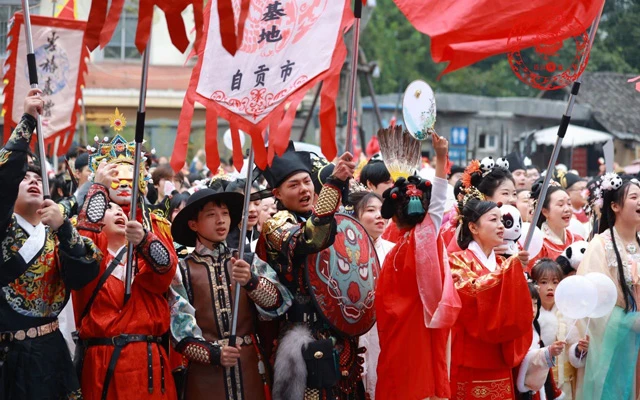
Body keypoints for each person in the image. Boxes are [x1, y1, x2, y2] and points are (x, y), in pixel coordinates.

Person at [0, 89, 101, 399]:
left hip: (51, 353)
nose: (32, 180)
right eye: (24, 177)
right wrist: (28, 118)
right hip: (8, 357)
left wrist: (64, 228)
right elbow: (6, 172)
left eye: (38, 177)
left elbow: (85, 271)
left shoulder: (58, 230)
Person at [257, 143, 365, 400]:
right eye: (293, 185)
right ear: (277, 194)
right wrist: (334, 183)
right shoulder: (277, 226)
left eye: (306, 181)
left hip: (340, 332)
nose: (304, 189)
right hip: (304, 340)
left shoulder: (333, 218)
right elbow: (313, 237)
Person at [74, 135, 179, 400]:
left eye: (130, 178)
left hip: (148, 360)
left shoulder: (154, 227)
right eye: (115, 178)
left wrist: (144, 239)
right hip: (103, 358)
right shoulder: (90, 235)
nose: (119, 212)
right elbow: (83, 244)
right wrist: (97, 187)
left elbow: (165, 269)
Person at [168, 187, 292, 400]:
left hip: (249, 368)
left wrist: (251, 282)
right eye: (211, 215)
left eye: (225, 214)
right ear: (193, 224)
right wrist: (214, 354)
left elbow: (279, 304)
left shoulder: (247, 261)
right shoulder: (183, 271)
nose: (220, 220)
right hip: (205, 375)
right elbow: (179, 331)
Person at [375, 132, 461, 399]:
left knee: (398, 380)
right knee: (423, 383)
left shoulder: (394, 249)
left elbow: (383, 299)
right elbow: (439, 199)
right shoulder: (424, 237)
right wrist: (440, 155)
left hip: (399, 330)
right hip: (421, 327)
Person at [449, 197, 533, 400]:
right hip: (470, 360)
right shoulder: (457, 261)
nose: (501, 225)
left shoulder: (501, 263)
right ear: (473, 227)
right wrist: (509, 270)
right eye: (493, 219)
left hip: (499, 357)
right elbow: (470, 292)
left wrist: (512, 272)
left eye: (502, 220)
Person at [577, 174, 640, 400]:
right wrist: (629, 321)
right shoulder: (600, 245)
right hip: (618, 343)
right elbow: (593, 306)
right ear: (615, 206)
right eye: (634, 197)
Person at [349, 191, 393, 399]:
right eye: (370, 210)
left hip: (386, 329)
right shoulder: (345, 252)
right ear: (356, 217)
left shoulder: (394, 252)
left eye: (381, 210)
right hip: (355, 330)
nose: (379, 215)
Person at [531, 258, 588, 399]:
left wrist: (579, 349)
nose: (550, 287)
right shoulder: (529, 315)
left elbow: (572, 350)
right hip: (537, 385)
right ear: (534, 285)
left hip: (565, 383)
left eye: (555, 282)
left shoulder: (568, 312)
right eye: (544, 282)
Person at [515, 282, 565, 400]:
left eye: (535, 304)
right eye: (527, 304)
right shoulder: (513, 334)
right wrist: (546, 353)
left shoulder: (536, 329)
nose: (533, 310)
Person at [530, 182, 583, 267]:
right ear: (545, 211)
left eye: (569, 204)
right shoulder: (538, 245)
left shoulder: (578, 240)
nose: (567, 209)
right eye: (560, 204)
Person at [225, 179, 263, 252]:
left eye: (257, 203)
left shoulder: (260, 236)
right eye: (246, 204)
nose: (252, 209)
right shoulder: (223, 238)